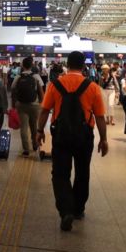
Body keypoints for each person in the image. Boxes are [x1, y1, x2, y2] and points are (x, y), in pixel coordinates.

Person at [36, 51, 107, 232]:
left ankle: (65, 210)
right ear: (84, 66)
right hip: (84, 136)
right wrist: (103, 139)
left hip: (61, 135)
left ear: (67, 64)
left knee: (60, 174)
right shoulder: (92, 87)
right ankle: (77, 209)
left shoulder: (55, 84)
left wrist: (39, 131)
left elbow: (44, 110)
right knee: (82, 173)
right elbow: (99, 116)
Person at [10, 57, 45, 157]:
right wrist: (41, 104)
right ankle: (35, 145)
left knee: (23, 128)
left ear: (22, 66)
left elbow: (13, 90)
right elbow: (41, 92)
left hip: (21, 105)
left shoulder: (18, 77)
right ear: (32, 65)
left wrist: (13, 104)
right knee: (34, 126)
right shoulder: (36, 76)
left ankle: (26, 149)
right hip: (34, 105)